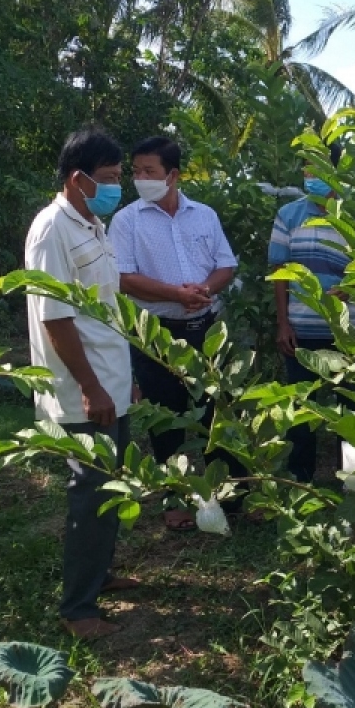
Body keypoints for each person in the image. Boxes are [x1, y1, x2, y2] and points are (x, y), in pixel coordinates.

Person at [24, 126, 137, 640]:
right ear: (78, 178)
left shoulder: (92, 225)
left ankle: (98, 576)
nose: (118, 189)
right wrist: (92, 387)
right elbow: (57, 320)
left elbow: (106, 311)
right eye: (111, 179)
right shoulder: (53, 230)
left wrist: (124, 379)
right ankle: (78, 609)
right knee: (90, 495)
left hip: (111, 381)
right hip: (82, 390)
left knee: (110, 488)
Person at [108, 136, 246, 531]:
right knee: (166, 416)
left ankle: (235, 491)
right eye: (136, 171)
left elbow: (225, 264)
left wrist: (205, 291)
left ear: (173, 175)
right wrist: (175, 294)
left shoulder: (204, 215)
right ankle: (178, 498)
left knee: (221, 409)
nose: (140, 179)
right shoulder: (127, 220)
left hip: (208, 327)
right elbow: (125, 278)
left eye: (148, 171)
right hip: (158, 332)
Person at [268, 143, 355, 483]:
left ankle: (352, 481)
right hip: (301, 330)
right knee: (302, 409)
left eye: (315, 166)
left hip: (348, 332)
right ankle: (300, 479)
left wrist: (353, 288)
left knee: (350, 409)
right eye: (305, 167)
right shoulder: (289, 214)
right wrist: (283, 322)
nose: (308, 174)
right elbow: (280, 269)